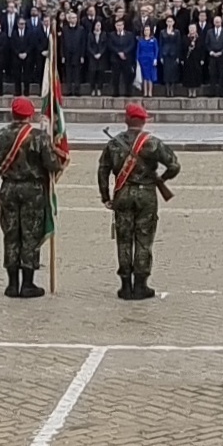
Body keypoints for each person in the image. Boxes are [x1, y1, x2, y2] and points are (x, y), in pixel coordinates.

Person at [95, 97, 178, 299]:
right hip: (146, 194)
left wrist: (105, 196)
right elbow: (174, 166)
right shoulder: (152, 143)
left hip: (123, 193)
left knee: (124, 240)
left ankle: (125, 286)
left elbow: (103, 170)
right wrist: (160, 179)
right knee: (143, 239)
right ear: (143, 121)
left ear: (126, 120)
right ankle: (140, 285)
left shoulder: (114, 144)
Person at [0, 97, 69, 298]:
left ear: (12, 114)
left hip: (9, 188)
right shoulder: (38, 137)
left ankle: (12, 284)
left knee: (11, 234)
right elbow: (51, 164)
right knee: (30, 235)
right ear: (30, 115)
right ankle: (28, 284)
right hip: (33, 190)